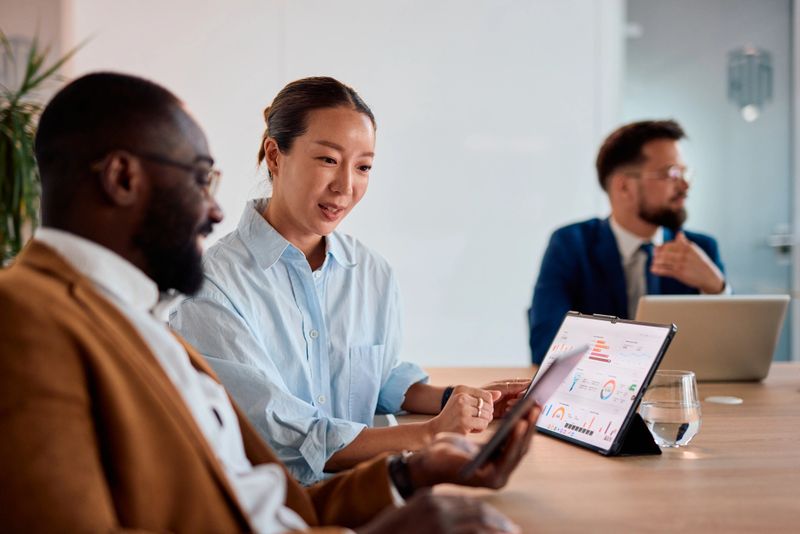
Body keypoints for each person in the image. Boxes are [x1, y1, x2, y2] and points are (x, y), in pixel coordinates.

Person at [0, 71, 538, 533]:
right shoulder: (24, 318)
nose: (213, 212)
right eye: (198, 179)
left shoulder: (135, 318)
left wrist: (412, 475)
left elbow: (267, 506)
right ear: (122, 178)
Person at [170, 77, 528, 485]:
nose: (345, 186)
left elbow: (379, 379)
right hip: (272, 507)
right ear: (274, 154)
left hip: (364, 491)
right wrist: (429, 434)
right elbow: (285, 435)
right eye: (327, 160)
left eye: (363, 167)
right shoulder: (210, 284)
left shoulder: (371, 272)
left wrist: (466, 399)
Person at [528, 120, 727, 364]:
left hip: (680, 397)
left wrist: (716, 289)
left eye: (685, 173)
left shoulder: (701, 249)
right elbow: (545, 345)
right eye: (671, 173)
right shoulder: (571, 245)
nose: (685, 185)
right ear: (624, 186)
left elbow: (731, 354)